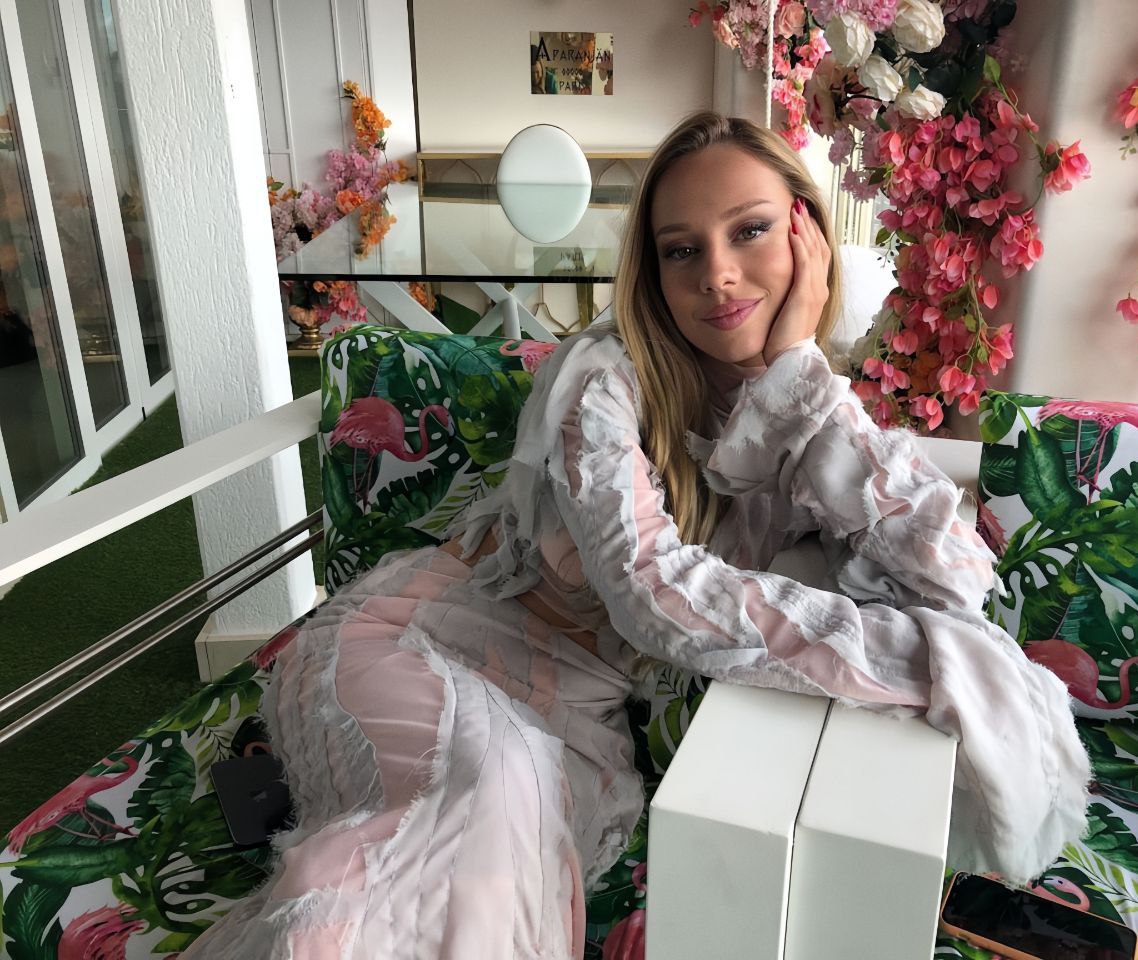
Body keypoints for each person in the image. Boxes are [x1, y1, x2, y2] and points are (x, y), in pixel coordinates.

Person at [187, 111, 1089, 959]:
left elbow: (949, 574)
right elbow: (651, 591)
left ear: (807, 236)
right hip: (418, 644)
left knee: (499, 869)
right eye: (680, 250)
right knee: (477, 820)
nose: (717, 275)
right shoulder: (602, 380)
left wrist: (798, 366)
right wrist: (920, 662)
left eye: (750, 231)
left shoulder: (801, 404)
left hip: (563, 719)